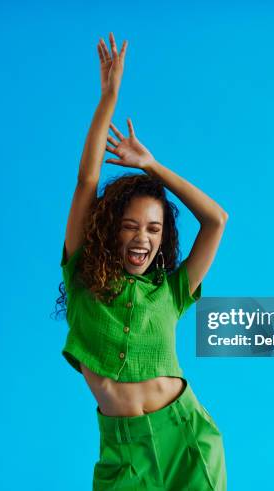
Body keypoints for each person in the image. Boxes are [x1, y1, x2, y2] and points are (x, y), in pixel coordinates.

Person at [57, 32, 228, 490]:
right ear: (109, 227)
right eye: (131, 225)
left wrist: (151, 166)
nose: (142, 238)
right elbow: (86, 181)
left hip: (187, 438)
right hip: (122, 453)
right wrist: (108, 97)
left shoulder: (171, 291)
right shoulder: (81, 282)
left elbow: (215, 220)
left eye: (153, 229)